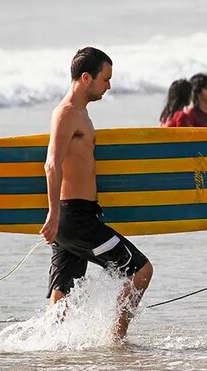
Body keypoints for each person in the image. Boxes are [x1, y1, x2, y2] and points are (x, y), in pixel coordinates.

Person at [42, 47, 152, 341]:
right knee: (140, 271)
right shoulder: (66, 114)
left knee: (63, 292)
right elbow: (52, 163)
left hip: (75, 217)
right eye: (105, 79)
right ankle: (116, 340)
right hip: (75, 218)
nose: (109, 86)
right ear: (86, 77)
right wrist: (54, 213)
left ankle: (51, 348)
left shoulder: (81, 114)